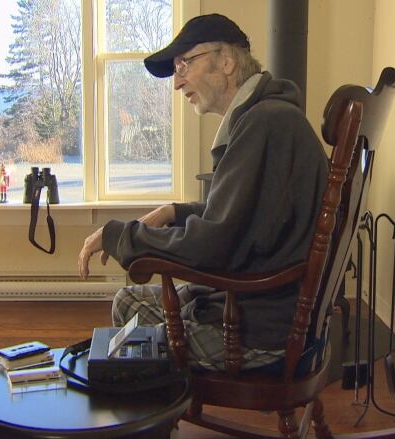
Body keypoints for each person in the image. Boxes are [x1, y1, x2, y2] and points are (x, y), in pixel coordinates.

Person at [78, 14, 329, 371]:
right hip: (265, 309)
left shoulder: (263, 124)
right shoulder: (268, 117)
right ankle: (158, 406)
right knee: (128, 300)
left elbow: (210, 247)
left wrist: (119, 236)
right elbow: (243, 214)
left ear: (226, 62)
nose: (177, 82)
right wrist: (175, 212)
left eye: (184, 64)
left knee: (128, 309)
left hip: (259, 332)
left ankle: (154, 416)